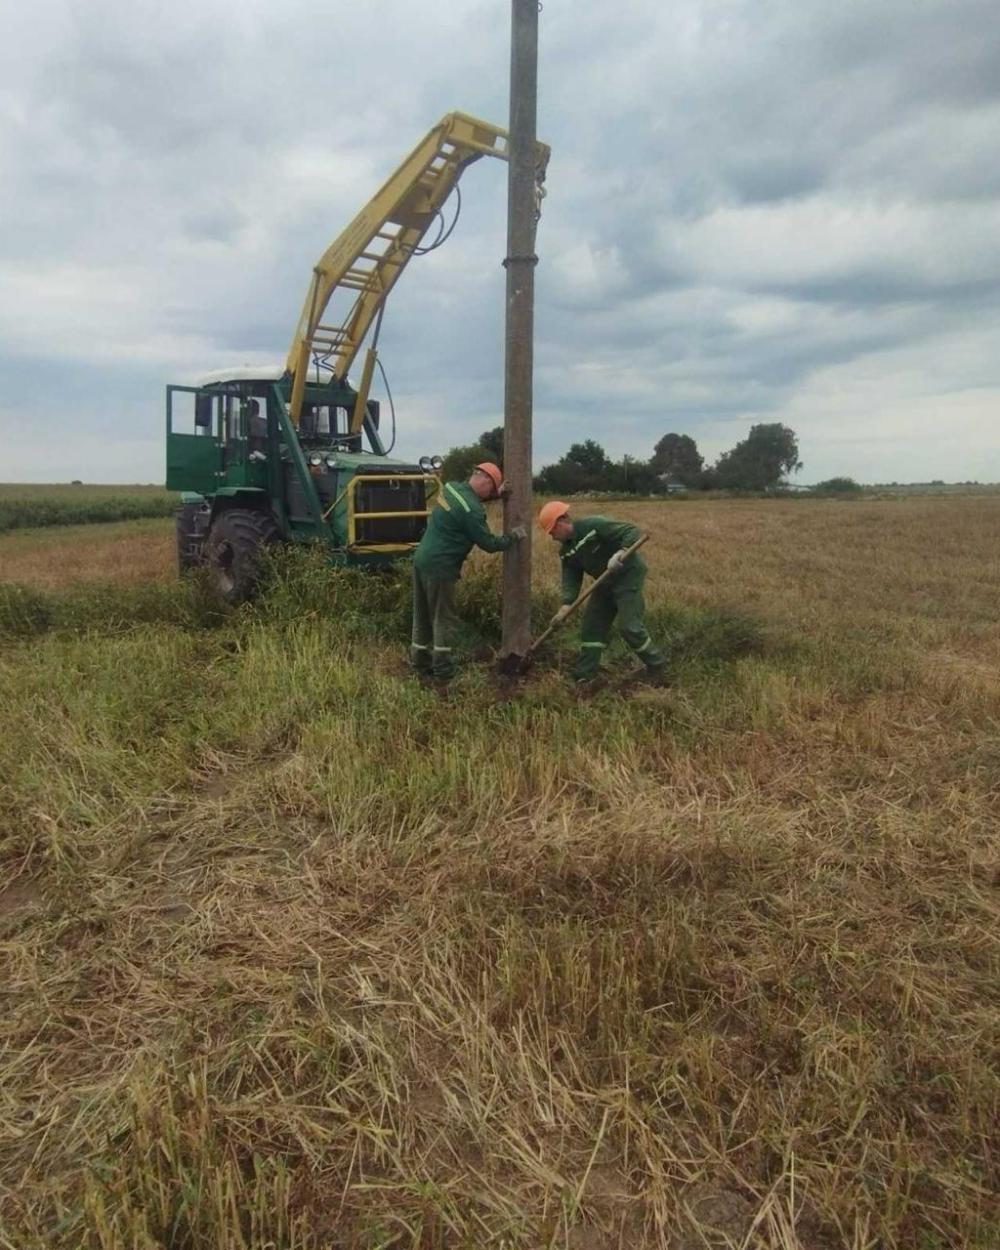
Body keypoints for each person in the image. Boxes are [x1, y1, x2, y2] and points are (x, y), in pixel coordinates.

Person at [411, 462, 526, 681]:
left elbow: (466, 503)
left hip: (421, 559)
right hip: (441, 568)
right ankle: (443, 671)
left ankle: (419, 663)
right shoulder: (472, 511)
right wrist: (513, 537)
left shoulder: (452, 488)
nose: (490, 494)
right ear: (486, 480)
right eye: (492, 489)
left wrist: (496, 496)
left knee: (422, 615)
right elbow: (489, 543)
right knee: (443, 619)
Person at [537, 501, 666, 684]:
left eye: (552, 532)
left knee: (628, 626)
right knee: (592, 628)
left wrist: (620, 553)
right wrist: (566, 605)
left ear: (561, 522)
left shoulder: (593, 525)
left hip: (627, 576)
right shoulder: (566, 552)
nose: (553, 537)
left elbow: (630, 531)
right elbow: (571, 579)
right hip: (604, 582)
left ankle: (657, 665)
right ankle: (585, 675)